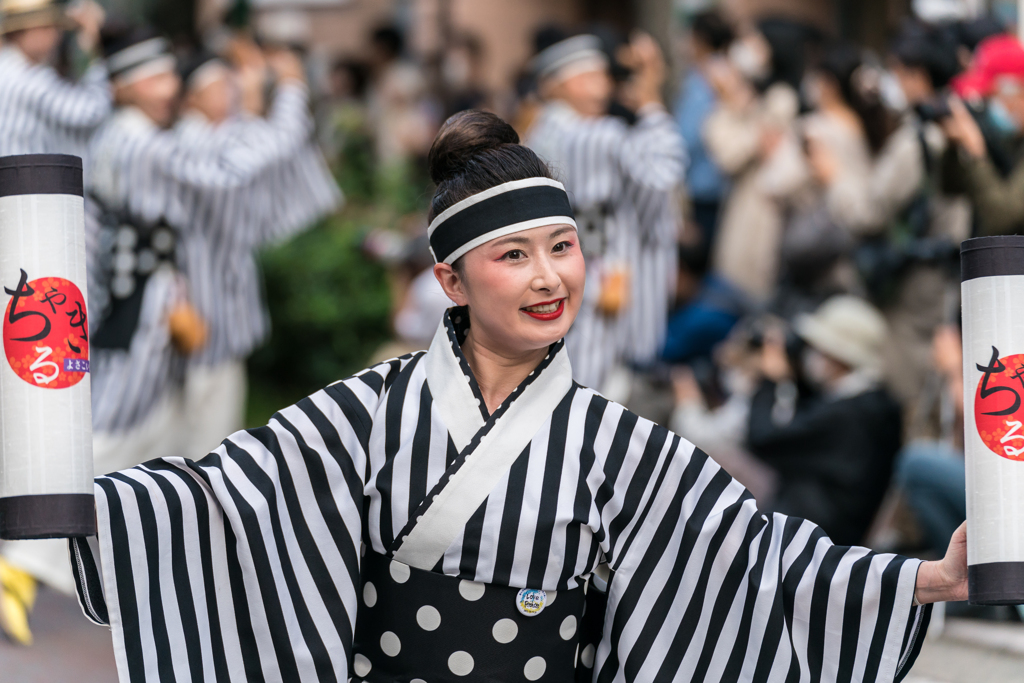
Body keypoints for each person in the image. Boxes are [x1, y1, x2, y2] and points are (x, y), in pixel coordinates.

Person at [68, 109, 966, 682]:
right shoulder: (366, 412)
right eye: (514, 255)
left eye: (563, 247)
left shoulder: (619, 442)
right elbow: (218, 499)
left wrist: (925, 576)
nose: (550, 278)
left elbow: (756, 560)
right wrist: (62, 502)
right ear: (451, 282)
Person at [172, 49, 341, 456]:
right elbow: (274, 145)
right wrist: (289, 88)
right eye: (220, 85)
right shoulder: (195, 138)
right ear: (192, 97)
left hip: (212, 300)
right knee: (202, 434)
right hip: (202, 306)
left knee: (207, 424)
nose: (230, 91)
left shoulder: (202, 135)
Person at [527, 31, 684, 389]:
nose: (602, 88)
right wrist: (651, 98)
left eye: (602, 77)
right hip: (598, 276)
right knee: (590, 386)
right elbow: (662, 174)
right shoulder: (590, 134)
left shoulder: (541, 129)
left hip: (563, 273)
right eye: (588, 78)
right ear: (556, 85)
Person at [747, 296, 903, 546]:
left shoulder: (848, 415)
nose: (811, 356)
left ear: (839, 356)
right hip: (836, 533)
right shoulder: (875, 404)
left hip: (815, 542)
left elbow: (763, 437)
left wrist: (769, 382)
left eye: (819, 348)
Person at [0, 0, 110, 157]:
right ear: (24, 31)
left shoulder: (8, 68)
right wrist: (93, 53)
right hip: (26, 179)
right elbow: (92, 112)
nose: (56, 35)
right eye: (48, 27)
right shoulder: (27, 78)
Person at [942, 34, 1024, 235]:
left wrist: (977, 155)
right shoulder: (1011, 141)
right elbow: (951, 187)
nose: (986, 108)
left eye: (989, 96)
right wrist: (954, 150)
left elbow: (1003, 218)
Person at [674, 9, 734, 251]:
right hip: (725, 183)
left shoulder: (702, 78)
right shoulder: (730, 71)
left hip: (704, 185)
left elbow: (687, 135)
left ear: (698, 39)